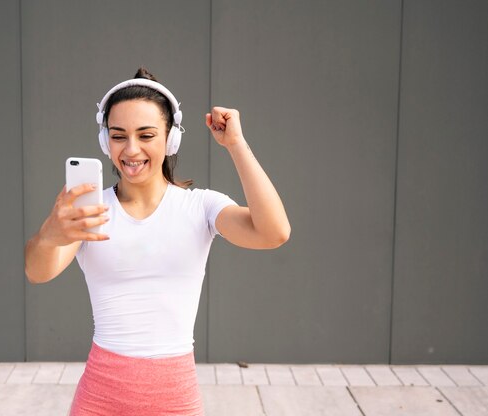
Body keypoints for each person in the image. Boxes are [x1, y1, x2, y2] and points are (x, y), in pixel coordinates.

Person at [24, 68, 291, 415]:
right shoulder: (91, 211)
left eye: (146, 135)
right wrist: (48, 235)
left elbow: (274, 233)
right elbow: (37, 272)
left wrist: (236, 144)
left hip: (176, 399)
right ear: (106, 142)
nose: (131, 149)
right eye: (119, 136)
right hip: (99, 399)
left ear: (171, 139)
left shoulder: (200, 207)